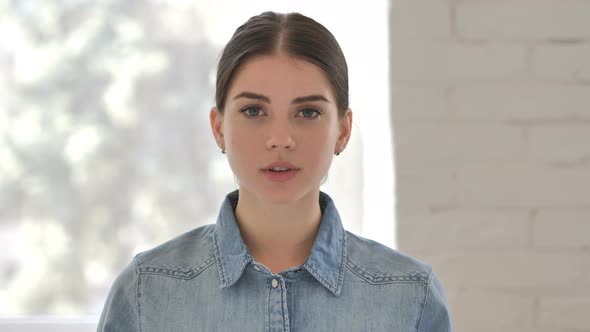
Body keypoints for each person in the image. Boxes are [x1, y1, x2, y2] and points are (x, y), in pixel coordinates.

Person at [98, 11, 453, 331]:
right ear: (219, 128)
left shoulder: (411, 297)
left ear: (343, 131)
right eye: (254, 111)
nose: (280, 139)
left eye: (307, 112)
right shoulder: (146, 292)